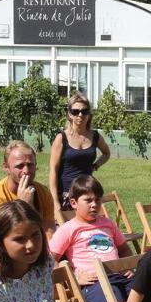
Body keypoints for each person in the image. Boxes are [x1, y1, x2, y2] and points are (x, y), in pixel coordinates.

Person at [49, 175, 133, 302]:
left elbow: (124, 248)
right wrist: (74, 278)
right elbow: (49, 258)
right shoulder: (69, 229)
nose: (94, 204)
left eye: (97, 200)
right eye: (88, 200)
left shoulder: (107, 223)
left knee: (145, 298)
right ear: (74, 203)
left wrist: (127, 266)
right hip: (93, 283)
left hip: (119, 276)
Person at [49, 94, 111, 223]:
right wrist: (55, 201)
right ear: (69, 114)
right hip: (67, 194)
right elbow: (53, 171)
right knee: (67, 234)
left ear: (89, 114)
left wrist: (95, 165)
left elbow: (106, 153)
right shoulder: (61, 138)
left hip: (88, 193)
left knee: (88, 231)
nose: (80, 115)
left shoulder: (94, 136)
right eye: (75, 111)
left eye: (84, 111)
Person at [0, 141, 57, 233]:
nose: (26, 171)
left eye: (30, 165)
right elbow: (4, 237)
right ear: (6, 167)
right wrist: (24, 207)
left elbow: (49, 234)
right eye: (20, 166)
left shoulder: (44, 193)